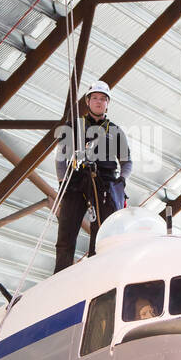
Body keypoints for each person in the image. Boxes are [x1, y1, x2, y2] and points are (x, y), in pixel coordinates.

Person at [54, 80, 132, 272]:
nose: (98, 102)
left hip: (104, 185)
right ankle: (60, 276)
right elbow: (60, 157)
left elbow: (127, 161)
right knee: (66, 231)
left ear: (107, 103)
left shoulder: (115, 131)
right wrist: (63, 181)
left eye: (103, 99)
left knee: (102, 235)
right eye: (95, 98)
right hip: (76, 183)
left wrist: (121, 181)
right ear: (88, 102)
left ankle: (96, 274)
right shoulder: (74, 127)